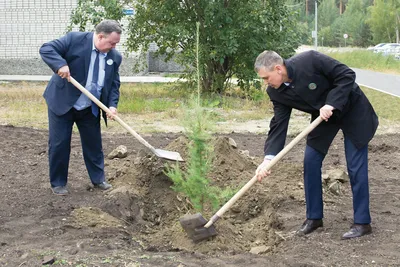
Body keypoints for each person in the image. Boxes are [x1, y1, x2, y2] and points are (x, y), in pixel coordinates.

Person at [254, 50, 379, 239]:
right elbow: (279, 124)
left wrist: (331, 103)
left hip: (353, 109)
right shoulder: (275, 92)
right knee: (310, 162)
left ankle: (362, 222)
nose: (265, 83)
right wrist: (268, 159)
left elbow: (347, 75)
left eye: (266, 77)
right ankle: (314, 218)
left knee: (355, 166)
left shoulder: (310, 60)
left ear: (278, 69)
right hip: (323, 118)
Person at [39, 19, 123, 195]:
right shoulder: (75, 40)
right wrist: (60, 64)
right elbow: (46, 48)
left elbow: (114, 84)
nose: (114, 47)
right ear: (100, 37)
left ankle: (98, 180)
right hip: (63, 101)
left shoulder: (114, 57)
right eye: (112, 43)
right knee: (60, 143)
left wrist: (112, 106)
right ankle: (58, 183)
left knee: (94, 144)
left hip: (89, 106)